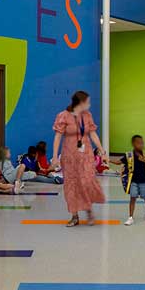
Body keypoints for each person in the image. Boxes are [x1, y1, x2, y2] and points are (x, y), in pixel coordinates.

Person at [50, 90, 107, 226]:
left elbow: (93, 134)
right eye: (87, 102)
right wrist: (54, 156)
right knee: (72, 185)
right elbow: (57, 137)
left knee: (87, 181)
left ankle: (89, 210)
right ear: (80, 103)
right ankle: (74, 215)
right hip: (69, 156)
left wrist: (101, 150)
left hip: (86, 154)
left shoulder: (87, 116)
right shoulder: (63, 116)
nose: (89, 104)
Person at [109, 134, 145, 225]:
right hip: (133, 180)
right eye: (138, 143)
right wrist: (108, 160)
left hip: (144, 180)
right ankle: (130, 217)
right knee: (133, 197)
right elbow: (118, 162)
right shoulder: (128, 155)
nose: (141, 144)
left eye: (142, 143)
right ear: (133, 144)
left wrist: (144, 160)